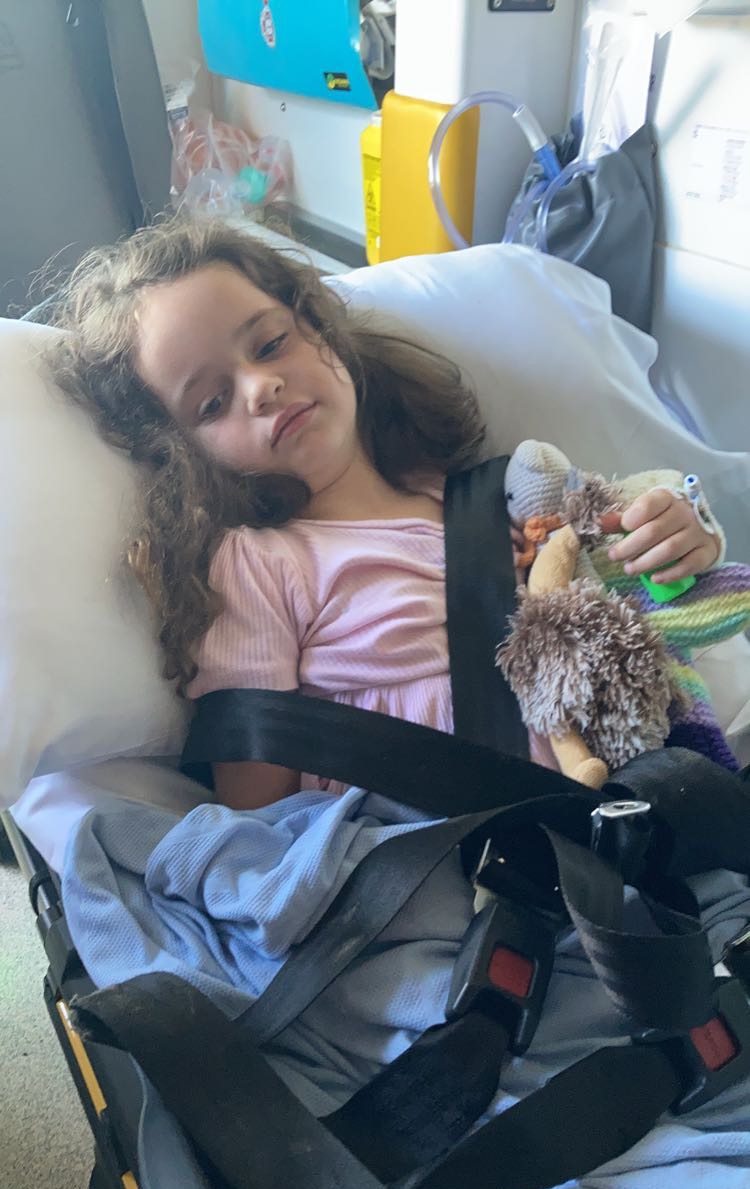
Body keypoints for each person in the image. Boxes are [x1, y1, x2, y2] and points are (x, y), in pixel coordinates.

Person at [52, 217, 722, 810]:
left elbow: (623, 576)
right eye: (211, 403)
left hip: (638, 807)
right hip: (453, 859)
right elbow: (258, 803)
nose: (261, 387)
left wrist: (683, 538)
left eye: (269, 344)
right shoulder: (260, 562)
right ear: (181, 457)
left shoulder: (492, 495)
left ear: (317, 327)